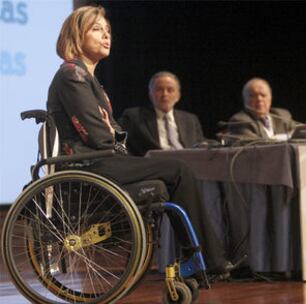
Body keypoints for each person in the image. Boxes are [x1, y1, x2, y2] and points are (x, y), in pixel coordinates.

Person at [46, 5, 232, 274]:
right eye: (96, 29)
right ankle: (204, 260)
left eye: (108, 30)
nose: (106, 36)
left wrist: (109, 132)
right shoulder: (72, 74)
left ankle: (199, 259)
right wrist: (109, 132)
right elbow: (100, 137)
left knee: (171, 173)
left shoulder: (90, 80)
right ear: (76, 35)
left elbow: (116, 133)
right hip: (87, 164)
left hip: (99, 160)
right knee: (178, 170)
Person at [119, 71, 205, 156]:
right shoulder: (134, 116)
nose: (165, 94)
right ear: (150, 94)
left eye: (170, 90)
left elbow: (201, 145)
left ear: (178, 95)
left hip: (188, 163)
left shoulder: (190, 120)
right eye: (159, 89)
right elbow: (119, 143)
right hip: (154, 166)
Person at [227, 77, 294, 139]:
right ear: (245, 99)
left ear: (270, 98)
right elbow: (255, 146)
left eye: (263, 95)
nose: (259, 99)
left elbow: (299, 135)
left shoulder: (283, 116)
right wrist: (279, 138)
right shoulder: (240, 121)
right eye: (253, 96)